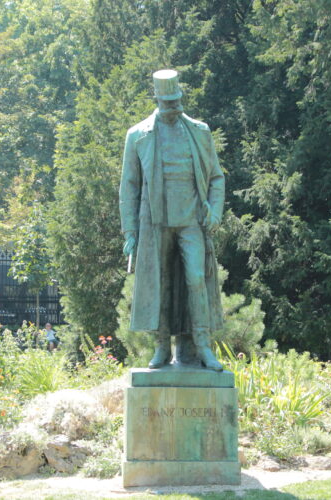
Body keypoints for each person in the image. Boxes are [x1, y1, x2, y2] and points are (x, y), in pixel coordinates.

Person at [119, 69, 225, 371]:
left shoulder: (199, 131)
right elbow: (129, 185)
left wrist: (214, 211)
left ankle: (202, 345)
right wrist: (130, 230)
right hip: (154, 221)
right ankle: (162, 347)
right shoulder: (138, 135)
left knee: (196, 279)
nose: (172, 107)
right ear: (157, 100)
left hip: (192, 219)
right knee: (159, 283)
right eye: (167, 103)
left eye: (176, 101)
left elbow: (216, 177)